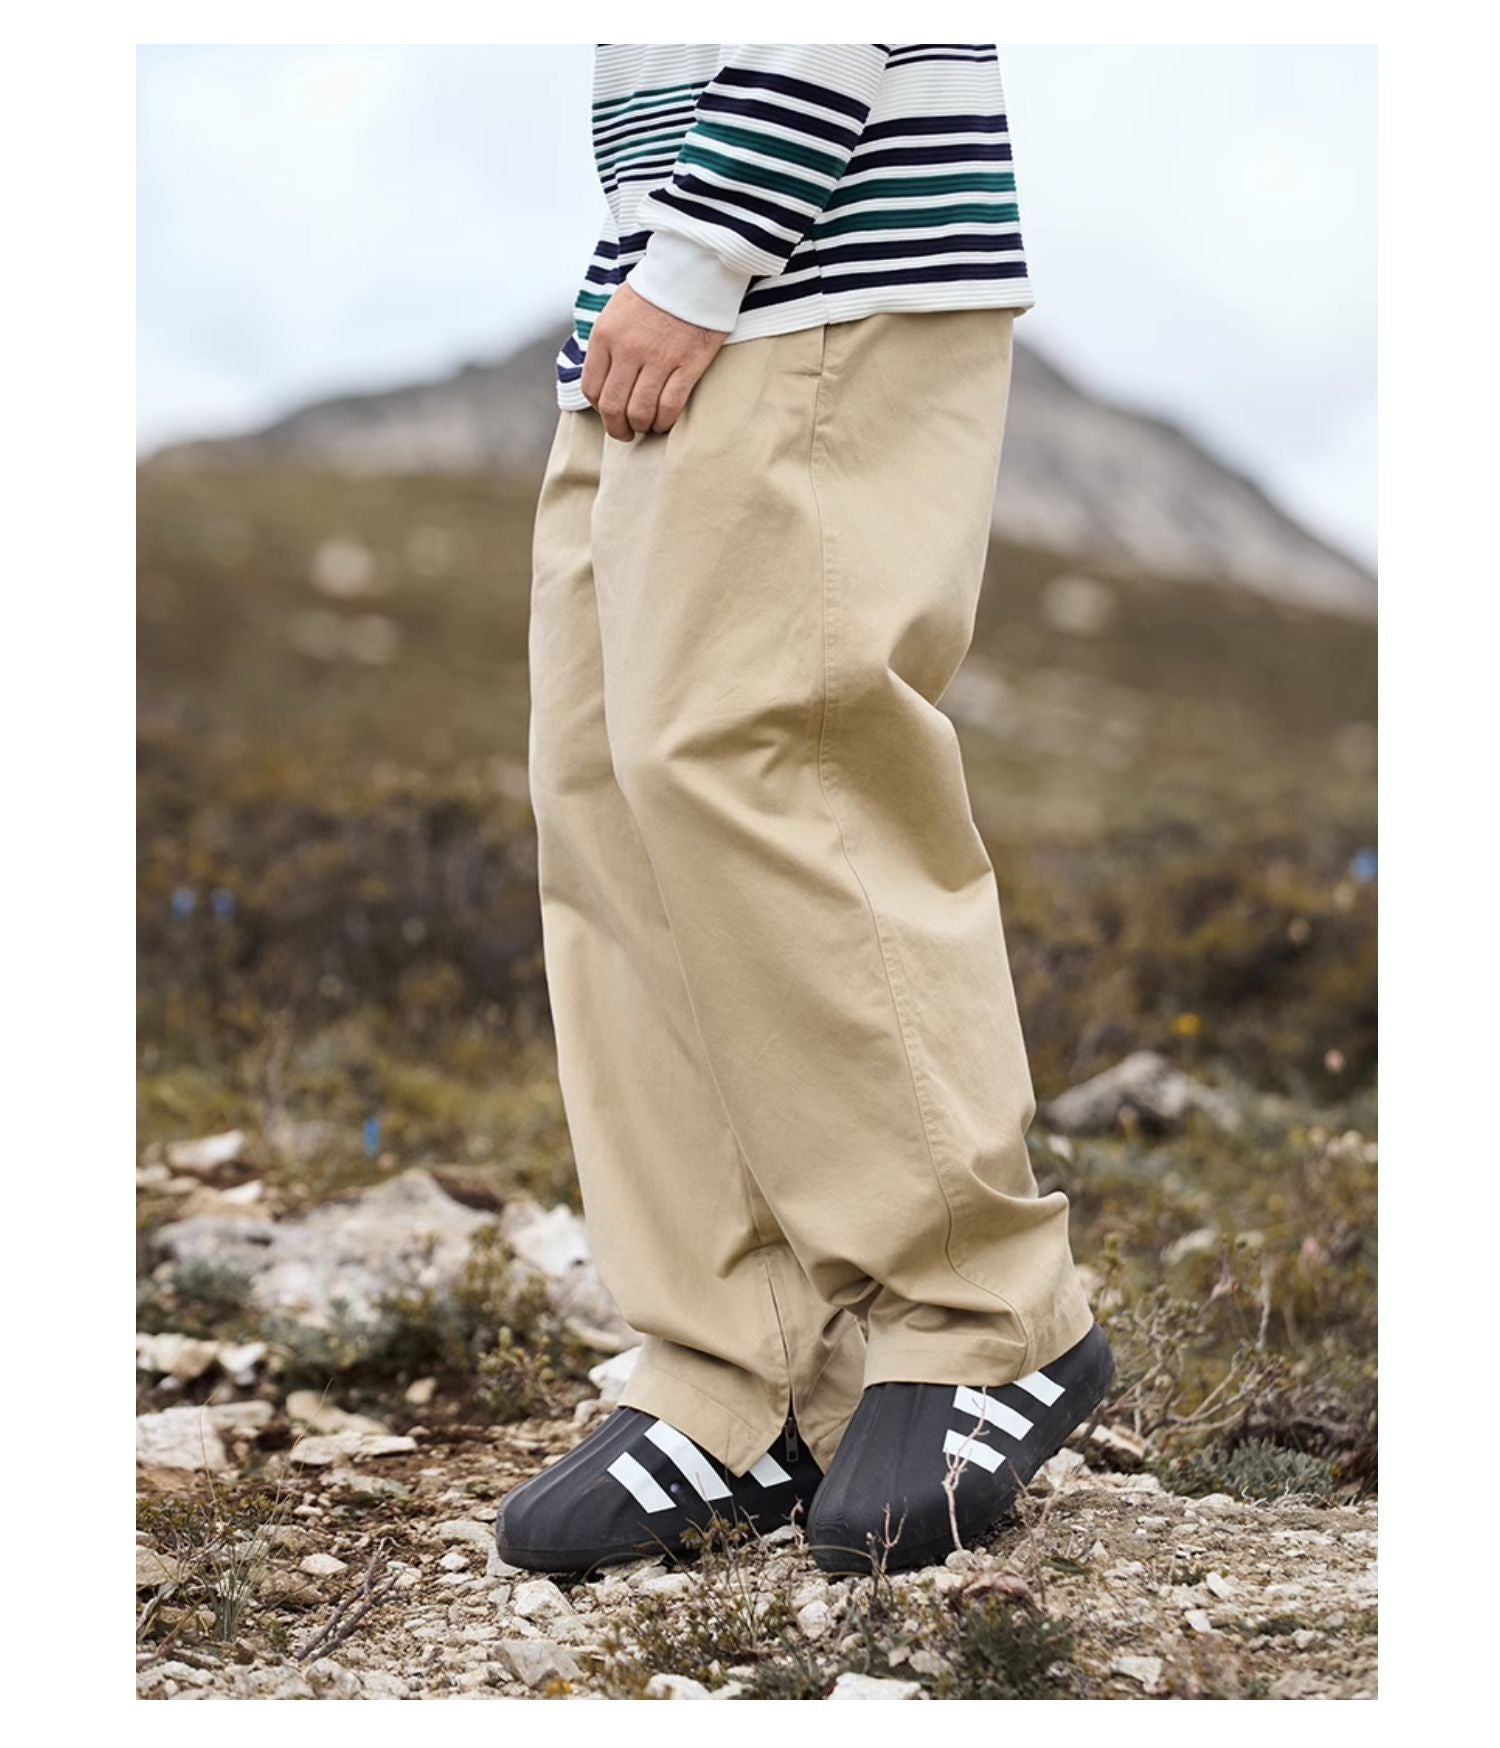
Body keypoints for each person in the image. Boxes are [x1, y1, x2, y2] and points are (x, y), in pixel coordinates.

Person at [498, 42, 1113, 1579]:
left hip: (809, 250)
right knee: (610, 797)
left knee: (766, 760)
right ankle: (747, 1367)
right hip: (664, 271)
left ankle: (980, 1313)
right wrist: (668, 254)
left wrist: (714, 245)